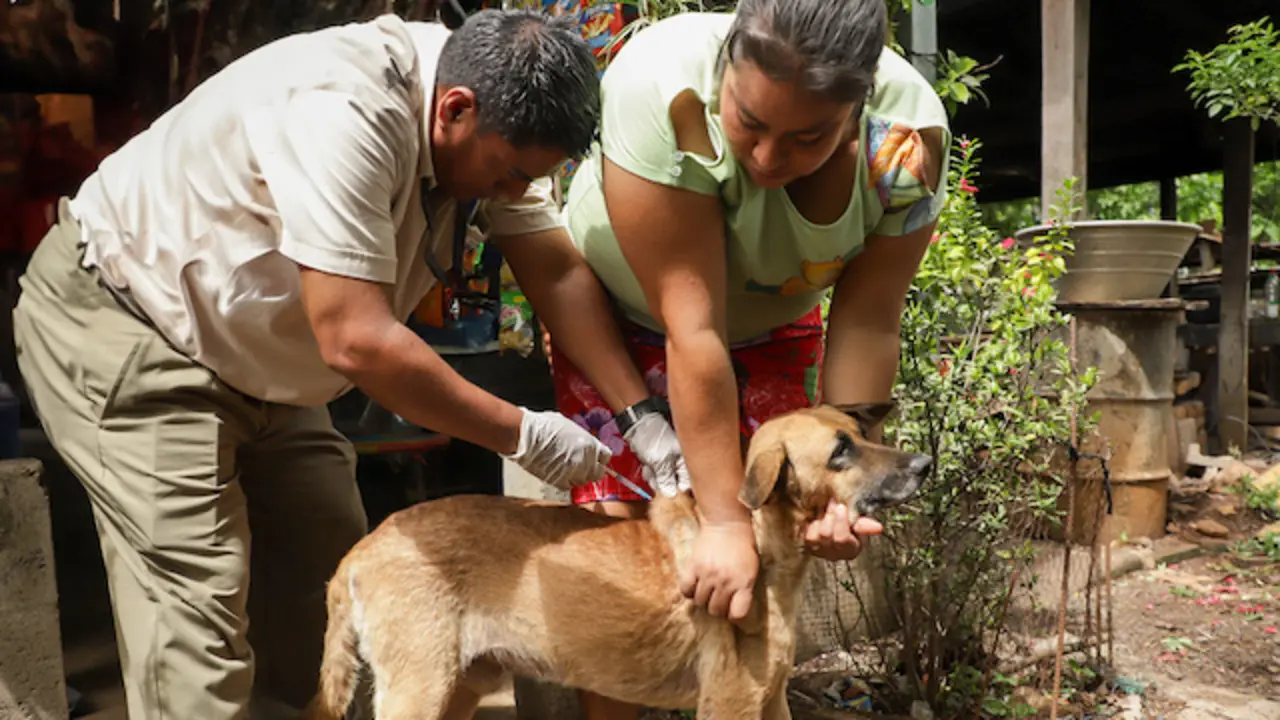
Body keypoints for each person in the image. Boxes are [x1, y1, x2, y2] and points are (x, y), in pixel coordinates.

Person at [12, 8, 686, 719]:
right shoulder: (346, 108)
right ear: (455, 110)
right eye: (509, 174)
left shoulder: (492, 115)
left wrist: (639, 416)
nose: (512, 192)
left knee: (329, 588)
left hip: (265, 355)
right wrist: (524, 434)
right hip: (133, 324)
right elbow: (357, 339)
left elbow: (554, 272)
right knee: (198, 623)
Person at [548, 0, 950, 716]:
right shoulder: (660, 84)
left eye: (807, 138)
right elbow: (692, 330)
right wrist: (726, 522)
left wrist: (847, 486)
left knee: (763, 576)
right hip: (626, 310)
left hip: (773, 318)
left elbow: (868, 315)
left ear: (856, 111)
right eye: (750, 123)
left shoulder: (905, 143)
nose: (767, 159)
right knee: (626, 571)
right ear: (724, 67)